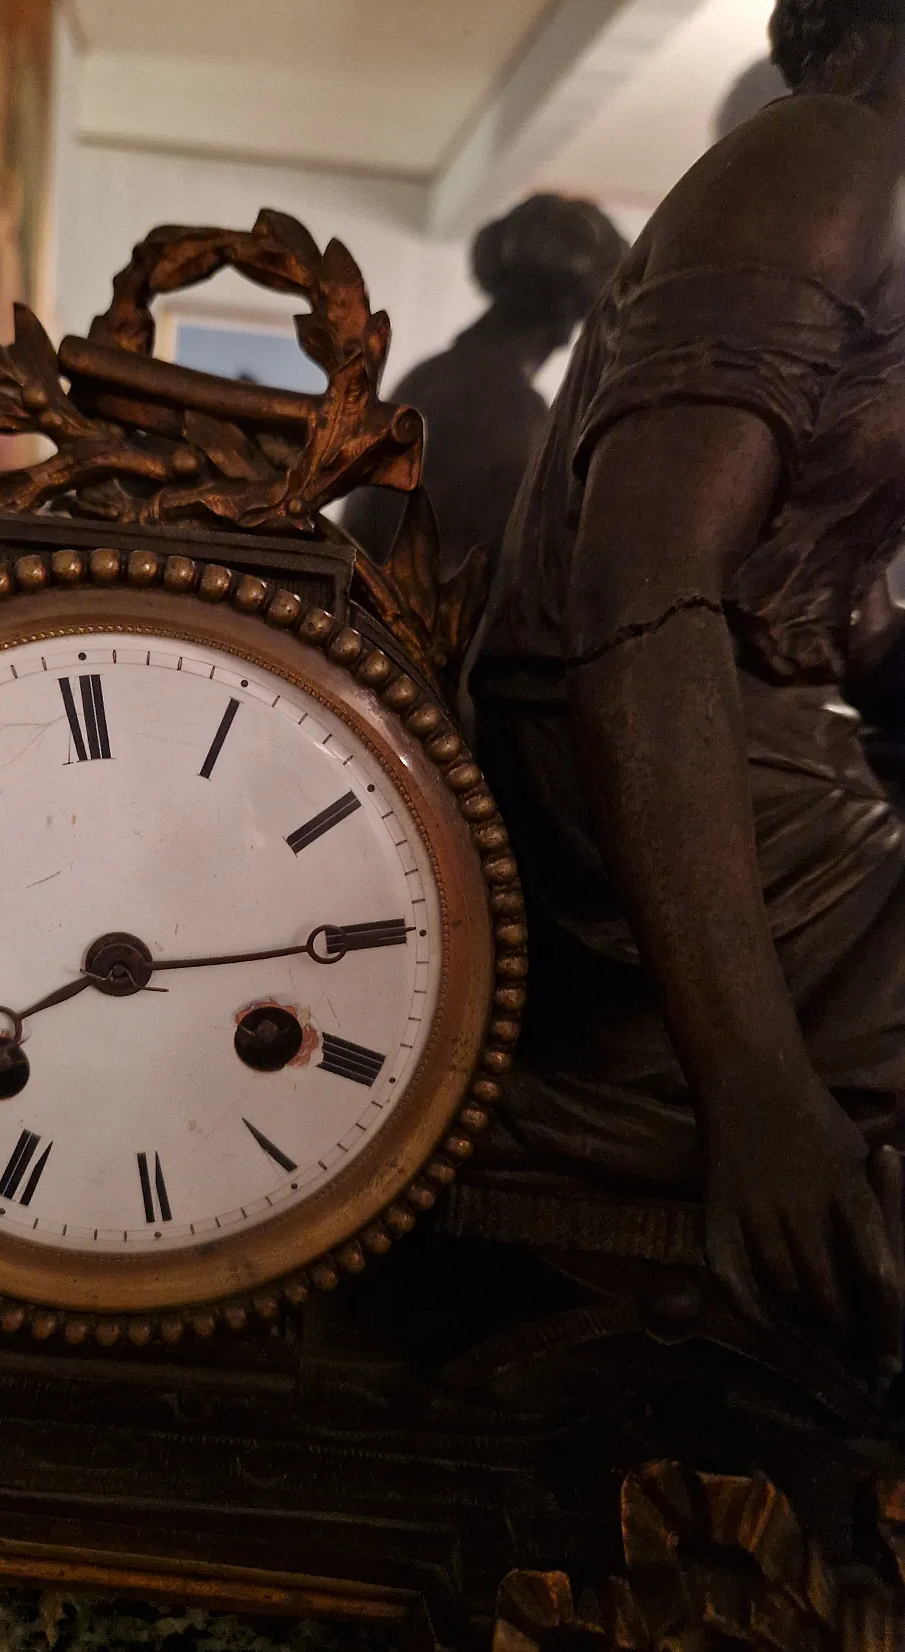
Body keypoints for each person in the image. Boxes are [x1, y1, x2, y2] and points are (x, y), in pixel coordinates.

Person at [467, 0, 905, 1374]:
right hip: (656, 801)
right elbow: (641, 593)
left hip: (769, 759)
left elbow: (833, 596)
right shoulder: (824, 158)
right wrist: (755, 1086)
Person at [342, 195, 627, 587]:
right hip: (412, 630)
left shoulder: (431, 374)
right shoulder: (513, 409)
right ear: (566, 320)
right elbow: (503, 571)